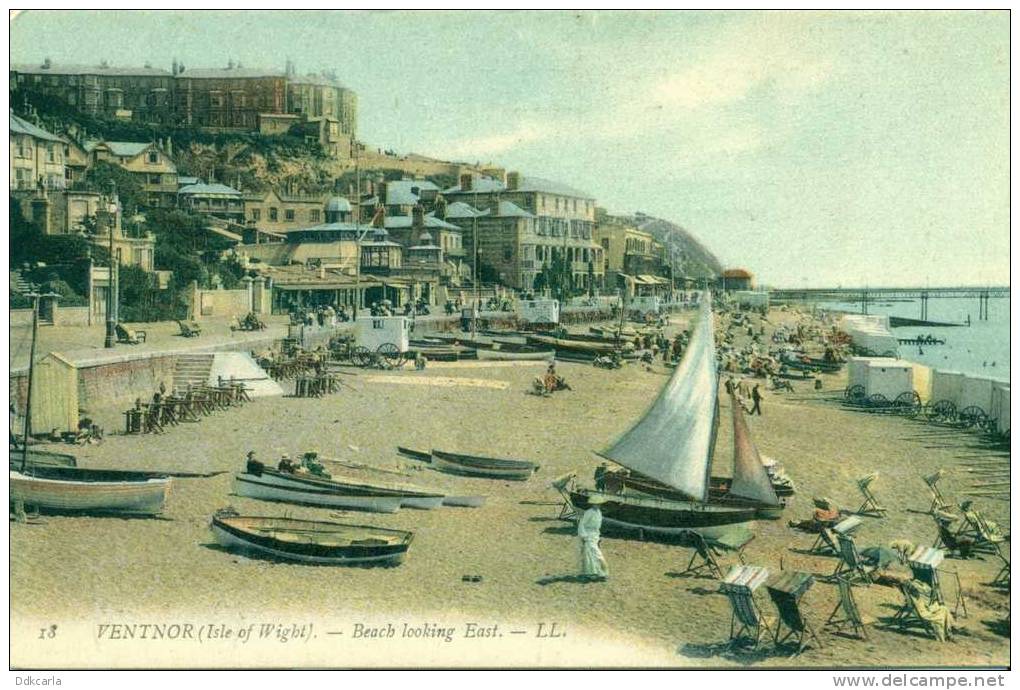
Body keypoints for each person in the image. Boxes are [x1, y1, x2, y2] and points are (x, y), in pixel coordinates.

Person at [577, 495, 609, 582]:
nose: (598, 505)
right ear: (592, 504)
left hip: (595, 536)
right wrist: (584, 536)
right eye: (596, 504)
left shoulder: (599, 512)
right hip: (588, 535)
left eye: (599, 504)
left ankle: (597, 573)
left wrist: (598, 536)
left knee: (594, 554)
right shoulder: (588, 512)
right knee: (591, 554)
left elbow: (597, 527)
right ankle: (594, 573)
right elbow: (582, 524)